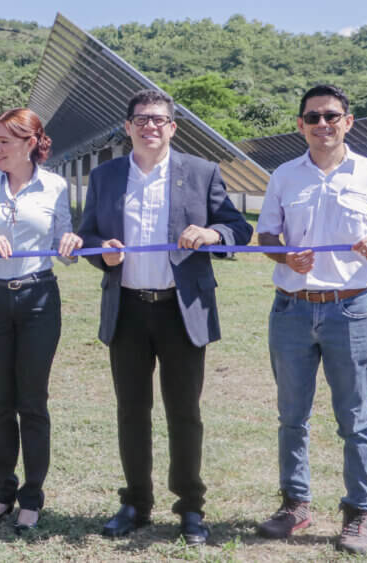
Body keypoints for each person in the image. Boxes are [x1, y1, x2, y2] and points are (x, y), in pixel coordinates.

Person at [77, 89, 251, 546]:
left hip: (181, 309)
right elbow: (88, 233)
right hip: (128, 308)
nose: (150, 126)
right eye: (141, 119)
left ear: (173, 127)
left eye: (159, 119)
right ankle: (135, 502)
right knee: (132, 411)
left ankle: (190, 507)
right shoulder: (106, 176)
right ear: (128, 127)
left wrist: (213, 232)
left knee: (184, 413)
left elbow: (239, 229)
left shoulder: (201, 172)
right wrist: (103, 255)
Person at [254, 84, 367, 554]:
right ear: (300, 125)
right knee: (292, 416)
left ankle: (360, 512)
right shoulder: (284, 175)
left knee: (355, 417)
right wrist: (283, 253)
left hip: (349, 308)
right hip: (291, 309)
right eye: (312, 117)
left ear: (347, 121)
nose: (322, 124)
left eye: (331, 116)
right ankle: (295, 505)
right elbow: (265, 232)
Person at [0, 108, 82, 532]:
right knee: (0, 403)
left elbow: (66, 241)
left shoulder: (56, 187)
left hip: (38, 300)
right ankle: (2, 493)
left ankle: (32, 497)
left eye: (5, 142)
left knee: (33, 402)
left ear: (31, 143)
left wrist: (70, 243)